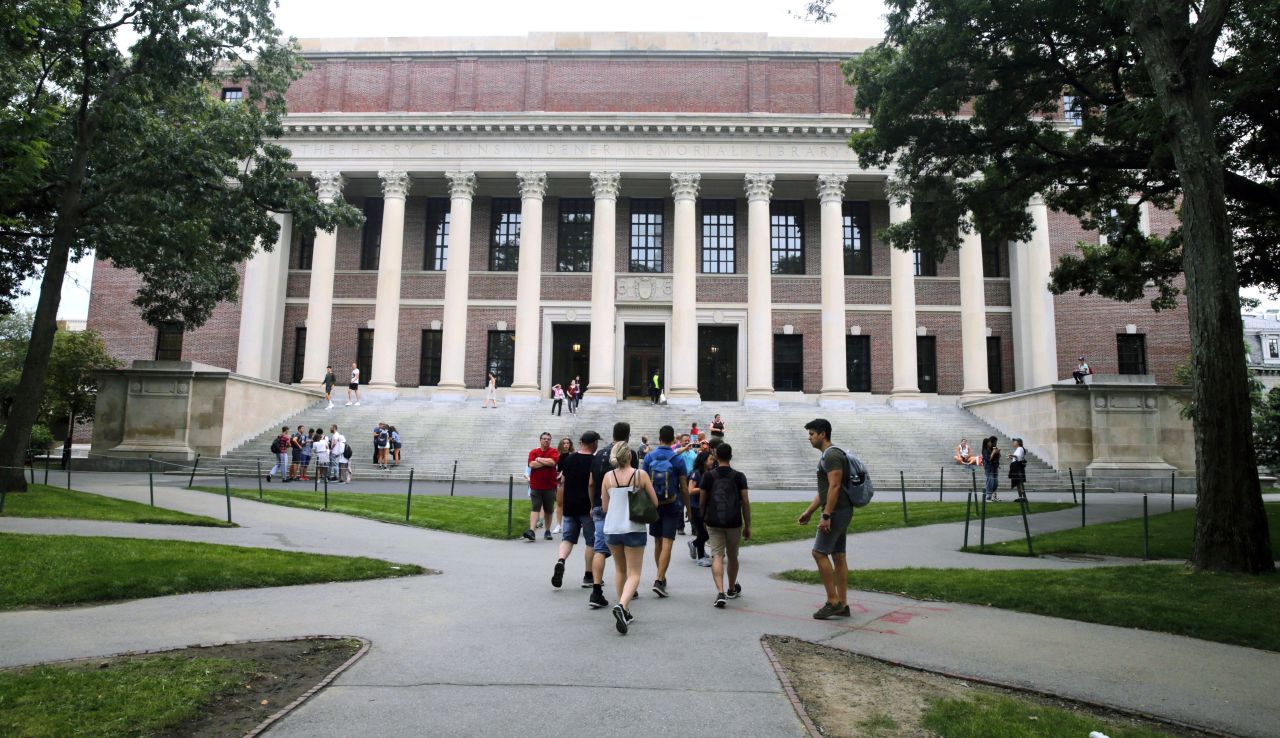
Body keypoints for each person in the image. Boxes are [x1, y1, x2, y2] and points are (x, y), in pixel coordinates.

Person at [798, 418, 854, 620]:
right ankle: (843, 604)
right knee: (838, 555)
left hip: (837, 512)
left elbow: (835, 487)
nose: (810, 438)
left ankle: (833, 601)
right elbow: (825, 490)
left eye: (812, 433)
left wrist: (826, 515)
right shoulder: (827, 456)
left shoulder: (832, 456)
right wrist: (810, 511)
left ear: (823, 434)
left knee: (819, 553)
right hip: (839, 510)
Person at [601, 441, 659, 634]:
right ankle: (622, 605)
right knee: (634, 573)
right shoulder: (639, 475)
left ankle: (624, 609)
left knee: (620, 570)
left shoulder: (608, 477)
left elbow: (605, 507)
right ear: (630, 456)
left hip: (612, 528)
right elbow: (655, 501)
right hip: (634, 527)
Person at [587, 422, 633, 610]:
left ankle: (596, 590)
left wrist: (593, 505)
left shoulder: (598, 454)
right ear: (628, 436)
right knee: (627, 549)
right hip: (622, 508)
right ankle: (629, 588)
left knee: (600, 548)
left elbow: (591, 483)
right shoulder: (629, 453)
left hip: (600, 505)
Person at [641, 425, 689, 598]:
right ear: (672, 440)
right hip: (671, 504)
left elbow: (643, 482)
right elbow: (684, 488)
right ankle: (659, 579)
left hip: (654, 505)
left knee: (658, 542)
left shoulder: (649, 457)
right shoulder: (677, 459)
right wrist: (688, 509)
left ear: (659, 438)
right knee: (668, 542)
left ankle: (660, 575)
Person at [699, 443, 750, 608]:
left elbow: (702, 500)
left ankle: (720, 592)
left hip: (714, 520)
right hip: (734, 521)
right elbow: (745, 502)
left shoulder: (708, 476)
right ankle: (731, 588)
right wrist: (747, 525)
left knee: (717, 555)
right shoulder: (739, 476)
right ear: (731, 456)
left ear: (715, 456)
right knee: (733, 556)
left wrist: (703, 517)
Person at [551, 431, 600, 590]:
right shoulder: (594, 461)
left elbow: (562, 480)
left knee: (567, 538)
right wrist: (594, 504)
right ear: (593, 443)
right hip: (586, 507)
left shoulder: (569, 459)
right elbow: (592, 484)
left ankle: (561, 560)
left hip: (570, 505)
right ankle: (588, 575)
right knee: (591, 541)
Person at [524, 432, 560, 541]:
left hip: (550, 486)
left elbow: (553, 462)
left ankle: (547, 530)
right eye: (544, 439)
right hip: (536, 486)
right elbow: (531, 464)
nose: (546, 441)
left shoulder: (553, 451)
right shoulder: (533, 452)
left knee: (548, 509)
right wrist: (545, 462)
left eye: (548, 439)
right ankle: (531, 530)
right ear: (540, 440)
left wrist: (539, 459)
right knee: (535, 507)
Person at [553, 436, 573, 534]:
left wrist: (564, 472)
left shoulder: (573, 455)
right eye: (564, 443)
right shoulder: (558, 456)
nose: (566, 445)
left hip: (570, 481)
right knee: (559, 503)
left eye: (567, 443)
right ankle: (558, 525)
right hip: (560, 481)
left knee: (570, 503)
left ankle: (569, 524)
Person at [983, 436, 1002, 502]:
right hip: (989, 467)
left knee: (995, 482)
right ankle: (988, 497)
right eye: (990, 442)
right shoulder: (985, 450)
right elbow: (988, 459)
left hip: (994, 467)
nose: (994, 443)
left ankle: (993, 496)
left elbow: (997, 457)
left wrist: (998, 453)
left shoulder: (994, 448)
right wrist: (993, 452)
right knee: (990, 481)